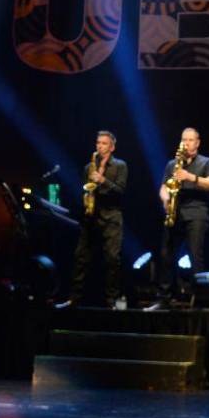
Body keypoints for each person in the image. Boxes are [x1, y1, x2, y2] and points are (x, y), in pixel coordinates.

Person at [64, 131, 128, 308]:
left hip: (111, 216)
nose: (100, 146)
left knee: (112, 259)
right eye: (98, 143)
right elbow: (85, 188)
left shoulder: (120, 165)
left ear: (112, 147)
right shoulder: (89, 167)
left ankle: (112, 300)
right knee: (80, 256)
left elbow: (121, 190)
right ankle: (74, 298)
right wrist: (86, 197)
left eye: (104, 143)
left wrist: (102, 180)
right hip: (91, 216)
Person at [156, 127, 209, 305]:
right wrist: (165, 199)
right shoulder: (172, 164)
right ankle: (165, 298)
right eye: (184, 140)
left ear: (197, 143)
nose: (186, 143)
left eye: (190, 140)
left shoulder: (206, 162)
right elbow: (164, 187)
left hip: (196, 213)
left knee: (195, 256)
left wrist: (190, 177)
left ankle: (200, 299)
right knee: (166, 254)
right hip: (175, 213)